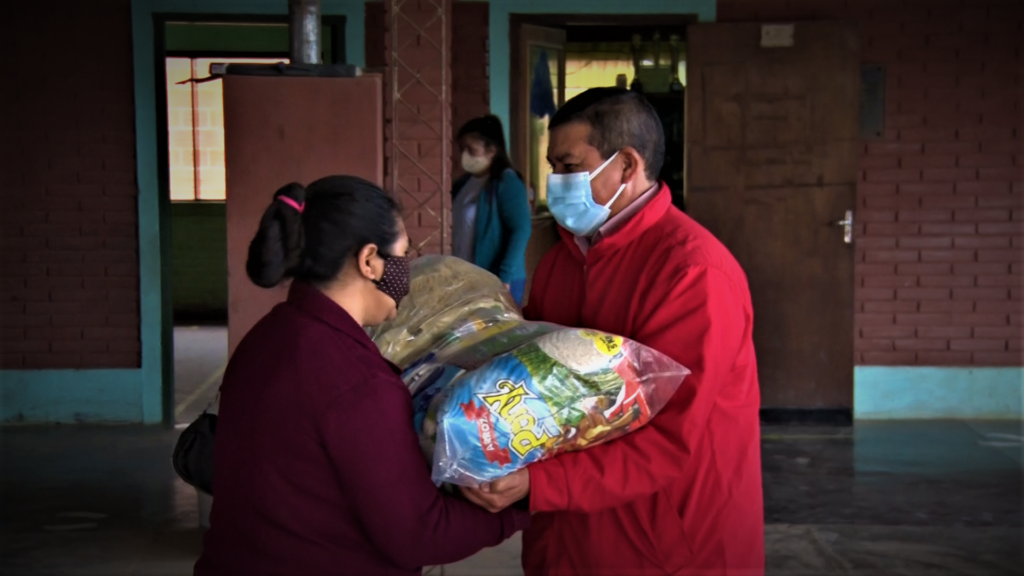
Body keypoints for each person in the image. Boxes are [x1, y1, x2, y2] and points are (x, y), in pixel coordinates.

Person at [461, 88, 765, 575]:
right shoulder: (564, 256)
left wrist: (540, 485)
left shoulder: (693, 273)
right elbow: (539, 383)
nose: (555, 182)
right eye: (552, 167)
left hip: (664, 542)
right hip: (568, 533)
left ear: (626, 165)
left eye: (568, 167)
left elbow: (668, 437)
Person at [193, 176, 530, 576]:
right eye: (403, 255)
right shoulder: (359, 382)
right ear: (370, 260)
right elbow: (420, 533)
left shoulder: (265, 336)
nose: (407, 272)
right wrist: (521, 507)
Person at [451, 115, 532, 305]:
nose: (464, 155)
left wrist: (504, 276)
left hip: (498, 279)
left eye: (471, 150)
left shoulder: (507, 182)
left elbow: (521, 230)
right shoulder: (463, 184)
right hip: (466, 277)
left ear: (492, 150)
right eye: (462, 149)